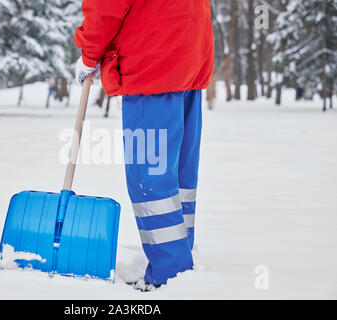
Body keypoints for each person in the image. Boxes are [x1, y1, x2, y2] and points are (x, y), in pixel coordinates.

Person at [74, 0, 214, 291]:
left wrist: (89, 55)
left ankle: (171, 273)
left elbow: (105, 7)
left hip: (153, 63)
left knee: (150, 182)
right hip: (188, 56)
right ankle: (181, 261)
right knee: (179, 176)